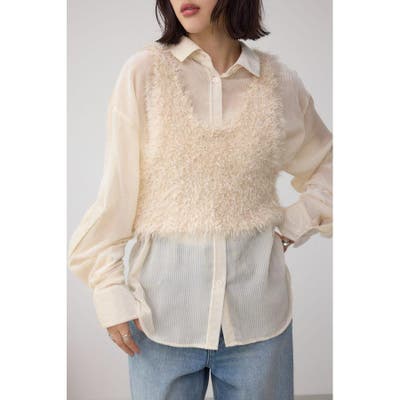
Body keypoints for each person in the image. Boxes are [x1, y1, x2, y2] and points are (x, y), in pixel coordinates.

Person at [68, 0, 332, 399]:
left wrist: (292, 225)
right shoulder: (145, 72)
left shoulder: (278, 82)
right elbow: (115, 196)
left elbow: (330, 167)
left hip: (260, 323)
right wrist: (109, 291)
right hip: (158, 321)